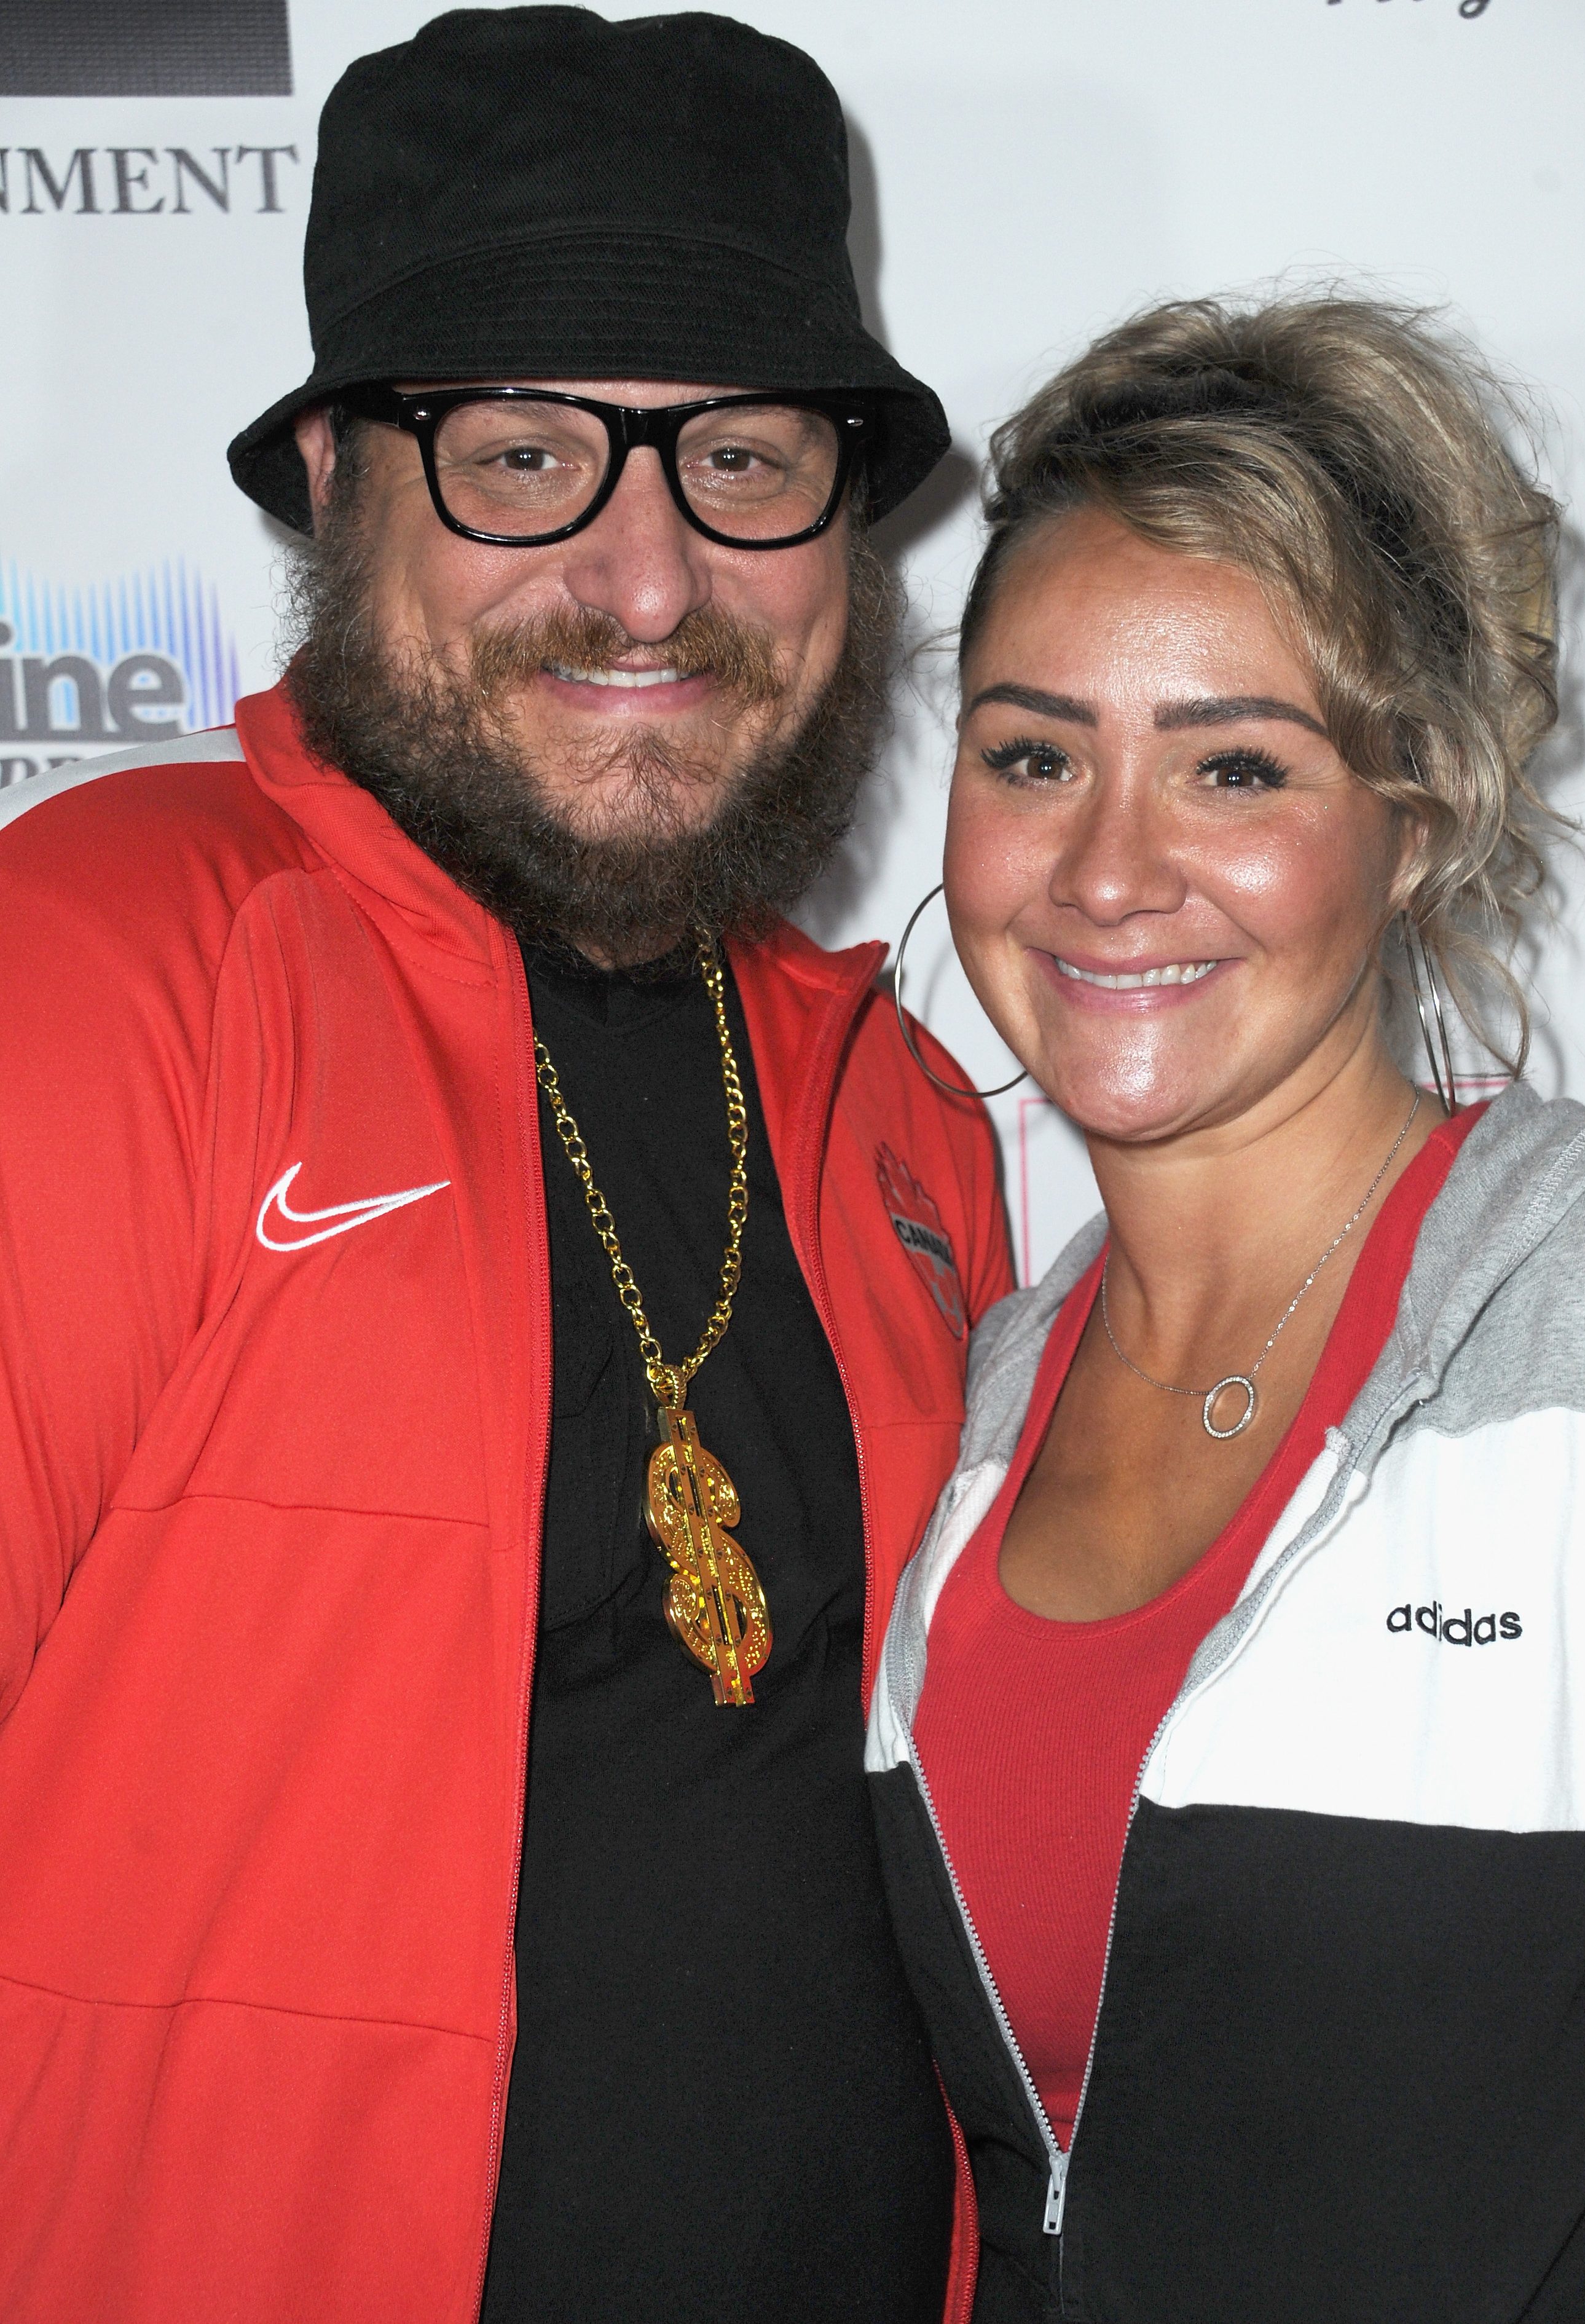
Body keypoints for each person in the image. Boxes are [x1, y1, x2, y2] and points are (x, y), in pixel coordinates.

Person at [0, 12, 1013, 2322]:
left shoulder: (905, 1111)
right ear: (347, 476)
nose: (649, 582)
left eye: (743, 459)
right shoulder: (96, 976)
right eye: (532, 457)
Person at [867, 293, 1585, 2322]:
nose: (1106, 870)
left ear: (1414, 822)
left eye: (1235, 768)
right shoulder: (979, 1397)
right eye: (1032, 755)